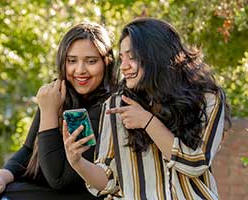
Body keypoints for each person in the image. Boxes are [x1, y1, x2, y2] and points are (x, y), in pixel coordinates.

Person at [63, 17, 229, 199]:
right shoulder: (117, 105)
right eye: (122, 58)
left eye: (132, 57)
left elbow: (196, 163)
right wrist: (77, 162)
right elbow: (109, 181)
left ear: (156, 56)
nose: (124, 66)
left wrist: (147, 121)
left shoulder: (206, 98)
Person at [0, 22, 117, 200]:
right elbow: (28, 150)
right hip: (44, 189)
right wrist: (0, 177)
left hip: (81, 193)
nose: (80, 70)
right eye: (72, 61)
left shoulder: (106, 106)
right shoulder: (58, 94)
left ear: (106, 63)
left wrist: (48, 112)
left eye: (91, 61)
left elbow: (59, 179)